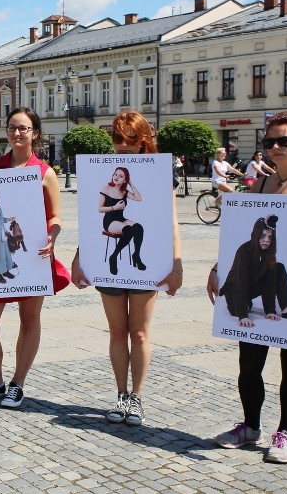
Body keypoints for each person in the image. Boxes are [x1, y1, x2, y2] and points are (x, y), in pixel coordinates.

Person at [71, 111, 183, 427]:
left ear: (143, 139)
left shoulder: (162, 173)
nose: (123, 145)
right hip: (110, 243)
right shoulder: (105, 173)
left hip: (151, 264)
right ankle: (121, 396)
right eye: (118, 138)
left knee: (140, 331)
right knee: (118, 331)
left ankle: (136, 397)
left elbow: (171, 221)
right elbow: (90, 218)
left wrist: (177, 266)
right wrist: (80, 257)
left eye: (130, 139)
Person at [0, 107, 70, 408]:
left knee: (29, 320)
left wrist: (52, 235)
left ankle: (17, 383)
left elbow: (56, 216)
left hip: (33, 254)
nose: (17, 133)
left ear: (35, 133)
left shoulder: (45, 172)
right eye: (12, 127)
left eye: (23, 128)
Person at [209, 110, 287, 463]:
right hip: (256, 281)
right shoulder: (262, 184)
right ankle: (250, 426)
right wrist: (219, 267)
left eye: (284, 141)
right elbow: (242, 234)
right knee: (249, 364)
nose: (276, 147)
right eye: (269, 142)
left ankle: (286, 433)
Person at [218, 214, 287, 324]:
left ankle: (286, 309)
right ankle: (245, 304)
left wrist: (270, 311)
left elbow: (270, 282)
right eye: (262, 236)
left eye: (270, 237)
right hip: (234, 289)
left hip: (251, 286)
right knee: (236, 312)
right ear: (256, 235)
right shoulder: (244, 251)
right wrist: (243, 315)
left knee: (278, 267)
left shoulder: (269, 253)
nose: (266, 240)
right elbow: (240, 282)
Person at [99, 167, 147, 274]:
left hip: (121, 219)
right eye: (115, 174)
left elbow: (138, 198)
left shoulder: (124, 191)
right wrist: (114, 207)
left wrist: (130, 183)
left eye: (121, 176)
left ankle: (136, 256)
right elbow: (99, 209)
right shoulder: (106, 189)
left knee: (138, 228)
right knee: (128, 230)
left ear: (125, 180)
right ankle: (113, 256)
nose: (117, 177)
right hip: (109, 221)